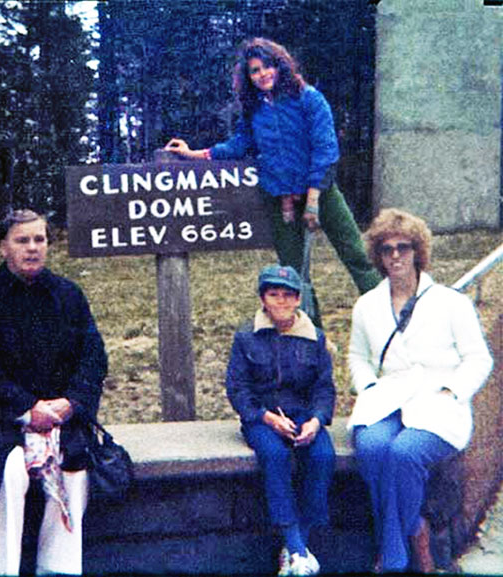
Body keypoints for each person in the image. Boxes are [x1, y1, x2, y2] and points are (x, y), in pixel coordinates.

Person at [165, 37, 381, 326]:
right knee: (293, 273)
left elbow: (326, 149)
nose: (263, 74)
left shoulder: (309, 98)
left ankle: (389, 318)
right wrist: (194, 154)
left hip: (322, 193)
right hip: (282, 200)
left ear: (280, 66)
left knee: (357, 255)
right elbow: (239, 145)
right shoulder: (255, 109)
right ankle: (308, 334)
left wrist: (314, 199)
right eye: (255, 70)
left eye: (267, 66)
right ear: (248, 76)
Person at [0, 209, 107, 576]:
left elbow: (93, 358)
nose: (32, 248)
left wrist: (72, 403)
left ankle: (57, 568)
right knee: (7, 472)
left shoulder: (69, 295)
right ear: (2, 247)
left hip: (60, 415)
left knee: (74, 463)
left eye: (39, 239)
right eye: (22, 240)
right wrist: (27, 409)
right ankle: (3, 569)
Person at [347, 208, 493, 573]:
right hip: (387, 399)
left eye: (403, 247)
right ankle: (414, 528)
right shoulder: (367, 306)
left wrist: (451, 391)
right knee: (371, 446)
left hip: (437, 404)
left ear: (418, 252)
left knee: (404, 453)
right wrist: (366, 386)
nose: (395, 255)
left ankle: (392, 555)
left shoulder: (451, 303)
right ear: (377, 256)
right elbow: (357, 356)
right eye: (386, 249)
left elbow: (478, 359)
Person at [225, 264, 336, 576]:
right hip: (263, 417)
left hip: (303, 416)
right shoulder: (247, 337)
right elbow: (237, 388)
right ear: (263, 298)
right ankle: (295, 544)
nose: (281, 302)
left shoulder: (314, 337)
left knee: (323, 457)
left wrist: (316, 420)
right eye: (274, 295)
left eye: (288, 296)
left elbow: (324, 387)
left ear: (298, 299)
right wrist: (267, 418)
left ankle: (298, 543)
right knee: (274, 457)